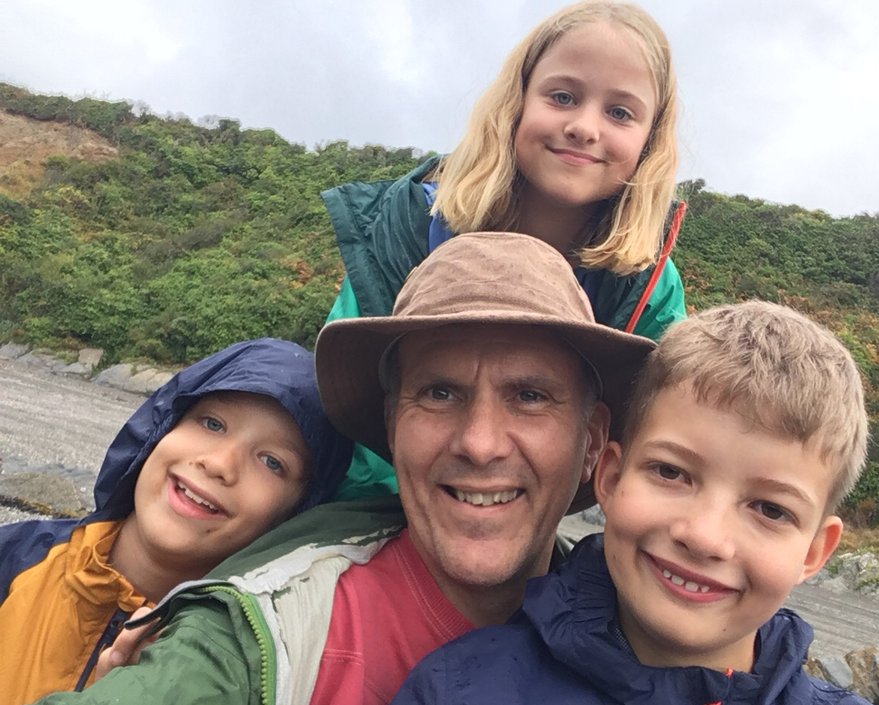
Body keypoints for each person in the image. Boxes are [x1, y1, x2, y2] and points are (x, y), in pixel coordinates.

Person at [34, 231, 655, 705]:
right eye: (439, 393)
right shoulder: (261, 634)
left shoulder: (648, 622)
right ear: (392, 424)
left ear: (593, 442)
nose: (481, 443)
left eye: (530, 396)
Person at [390, 300, 872, 705]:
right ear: (611, 477)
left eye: (770, 509)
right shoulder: (457, 690)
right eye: (671, 473)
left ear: (815, 552)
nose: (704, 537)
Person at [322, 0, 686, 501]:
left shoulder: (647, 282)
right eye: (562, 96)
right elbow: (347, 407)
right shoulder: (407, 229)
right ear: (516, 102)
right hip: (378, 501)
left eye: (620, 112)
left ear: (651, 140)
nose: (585, 127)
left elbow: (656, 437)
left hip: (544, 511)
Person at [0, 338, 353, 704]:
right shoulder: (13, 558)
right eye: (212, 423)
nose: (219, 464)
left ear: (296, 512)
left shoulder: (241, 674)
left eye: (272, 462)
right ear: (161, 426)